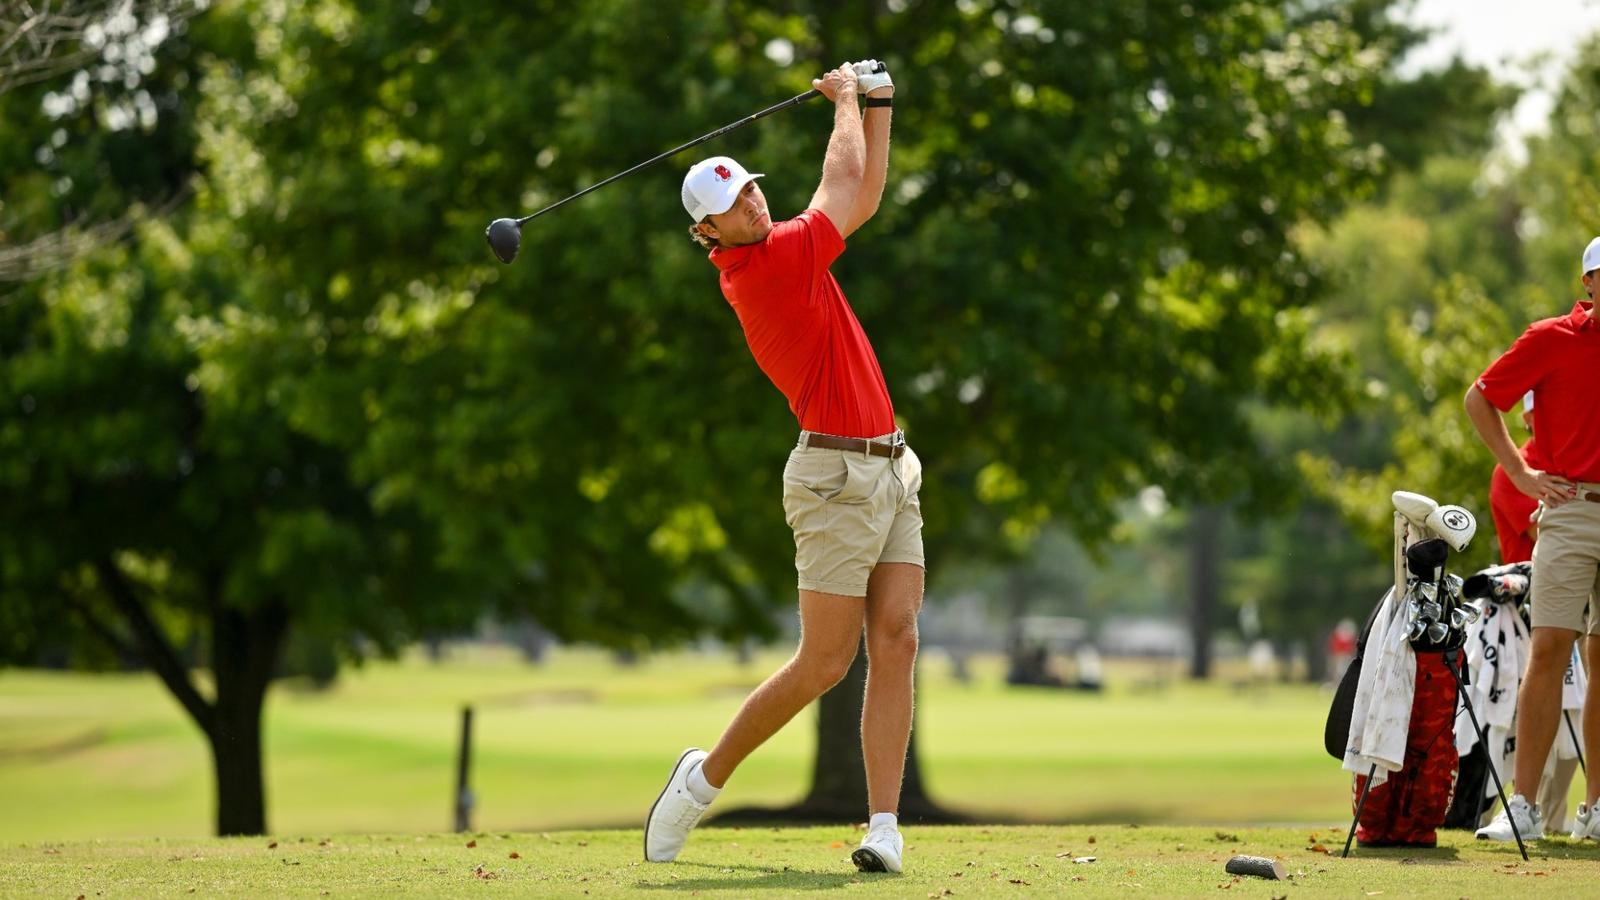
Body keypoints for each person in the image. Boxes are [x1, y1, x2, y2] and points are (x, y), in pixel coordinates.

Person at [645, 60, 923, 874]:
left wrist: (879, 103)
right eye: (733, 205)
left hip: (890, 467)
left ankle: (882, 828)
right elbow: (842, 183)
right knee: (826, 662)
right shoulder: (765, 269)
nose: (752, 203)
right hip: (833, 480)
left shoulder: (789, 248)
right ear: (710, 235)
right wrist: (844, 102)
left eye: (752, 190)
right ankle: (699, 781)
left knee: (899, 639)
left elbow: (863, 199)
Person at [1466, 237, 1600, 843]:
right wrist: (1520, 471)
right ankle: (1521, 805)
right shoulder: (1552, 338)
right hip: (1571, 509)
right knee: (1549, 648)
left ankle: (1595, 811)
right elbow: (1482, 397)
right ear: (1589, 283)